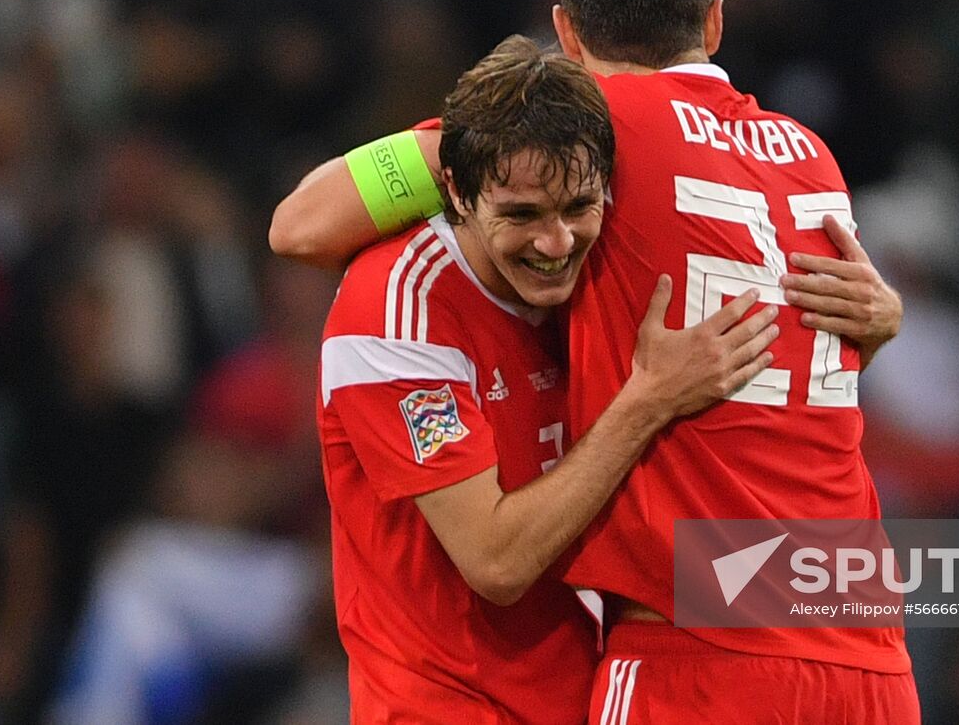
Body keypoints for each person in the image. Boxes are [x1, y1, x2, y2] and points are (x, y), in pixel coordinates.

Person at [273, 0, 917, 722]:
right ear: (715, 24)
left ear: (568, 37)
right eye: (528, 217)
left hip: (699, 661)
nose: (555, 238)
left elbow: (297, 225)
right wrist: (885, 321)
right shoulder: (811, 160)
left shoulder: (584, 131)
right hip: (861, 647)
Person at [318, 35, 780, 723]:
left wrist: (874, 318)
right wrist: (646, 400)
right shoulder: (398, 311)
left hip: (585, 695)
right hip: (442, 708)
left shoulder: (601, 275)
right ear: (458, 192)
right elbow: (497, 562)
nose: (556, 242)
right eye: (521, 215)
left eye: (577, 206)